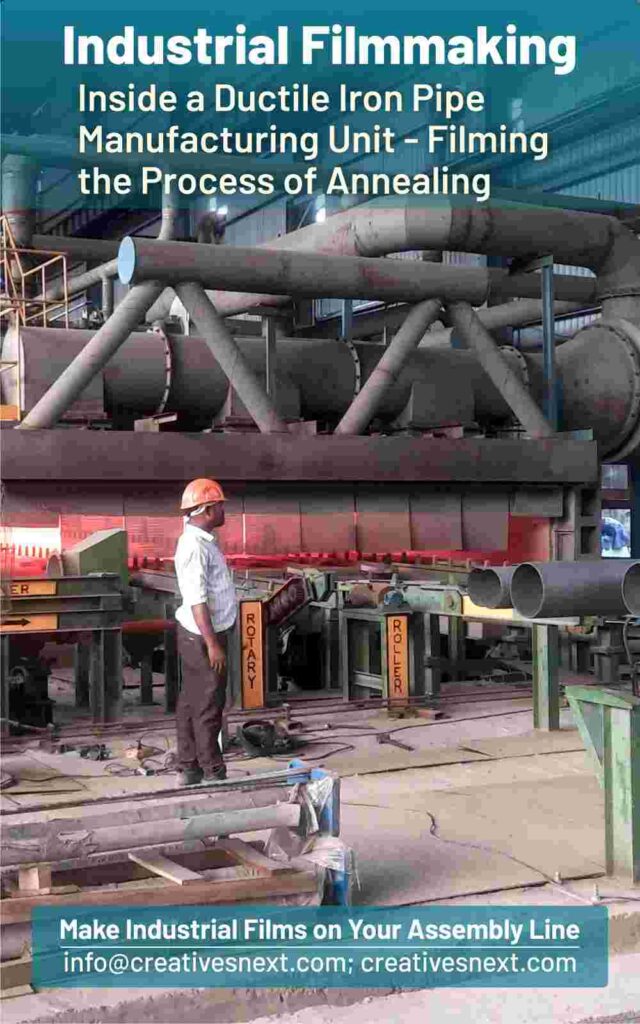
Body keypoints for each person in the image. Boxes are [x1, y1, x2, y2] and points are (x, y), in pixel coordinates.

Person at [173, 478, 237, 786]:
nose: (224, 511)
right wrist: (212, 644)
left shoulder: (203, 542)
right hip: (202, 636)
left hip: (197, 634)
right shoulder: (195, 547)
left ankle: (189, 768)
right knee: (209, 704)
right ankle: (213, 772)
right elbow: (197, 599)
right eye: (221, 506)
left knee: (191, 701)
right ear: (209, 510)